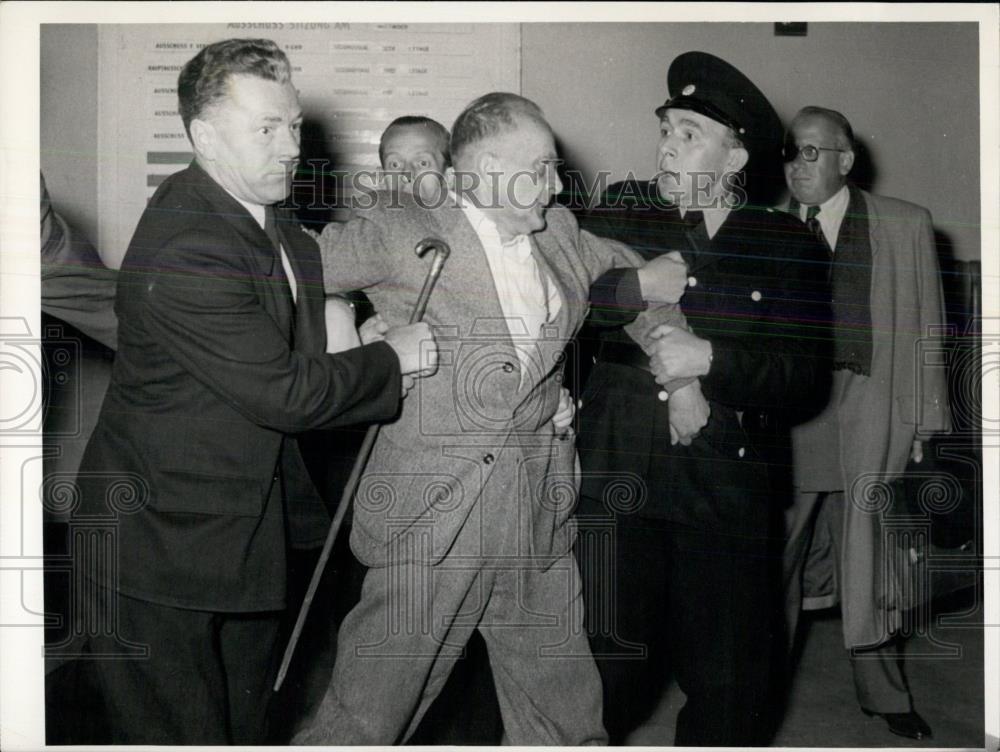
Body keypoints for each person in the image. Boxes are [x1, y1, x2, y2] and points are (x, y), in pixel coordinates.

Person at [75, 38, 433, 745]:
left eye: (293, 124)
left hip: (243, 536)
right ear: (203, 136)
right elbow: (284, 392)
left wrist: (351, 329)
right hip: (154, 547)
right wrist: (389, 360)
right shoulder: (189, 245)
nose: (291, 145)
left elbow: (302, 334)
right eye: (265, 129)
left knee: (247, 725)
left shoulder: (275, 225)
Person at [292, 92, 680, 746]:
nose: (557, 185)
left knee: (565, 712)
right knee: (369, 712)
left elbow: (640, 279)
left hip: (533, 511)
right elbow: (296, 266)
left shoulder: (557, 231)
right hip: (432, 520)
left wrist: (676, 360)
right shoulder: (403, 227)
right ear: (487, 169)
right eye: (542, 168)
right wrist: (352, 338)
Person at [573, 51, 831, 746]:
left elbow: (804, 377)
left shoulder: (786, 245)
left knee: (731, 680)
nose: (666, 143)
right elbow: (578, 300)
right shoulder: (620, 210)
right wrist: (662, 343)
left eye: (688, 132)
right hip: (619, 466)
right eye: (666, 127)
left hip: (727, 478)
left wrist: (711, 358)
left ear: (736, 153)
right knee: (601, 665)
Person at [781, 106, 951, 741]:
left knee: (870, 557)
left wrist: (926, 422)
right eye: (791, 153)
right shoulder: (767, 228)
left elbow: (928, 329)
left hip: (871, 407)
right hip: (796, 414)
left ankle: (883, 694)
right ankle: (759, 684)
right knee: (781, 555)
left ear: (845, 160)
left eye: (811, 152)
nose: (798, 166)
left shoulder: (905, 224)